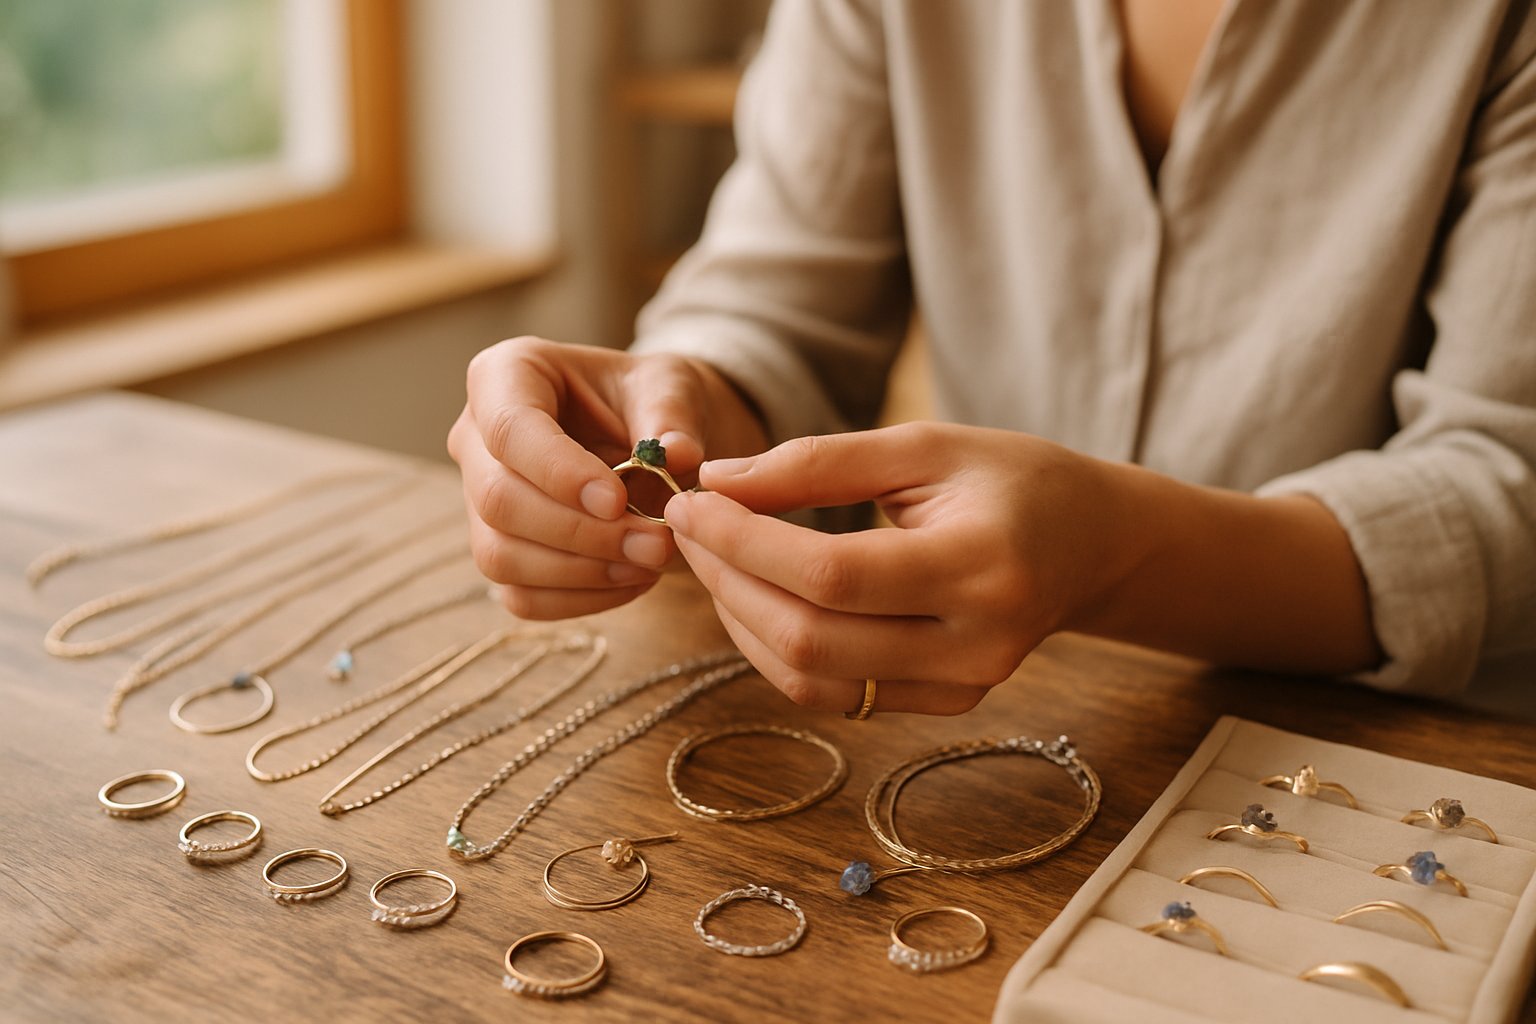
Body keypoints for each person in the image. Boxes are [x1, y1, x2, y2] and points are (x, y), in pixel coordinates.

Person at [448, 1, 1536, 717]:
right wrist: (680, 394)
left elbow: (1507, 482)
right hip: (998, 749)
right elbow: (780, 298)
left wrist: (1116, 553)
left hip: (1412, 764)